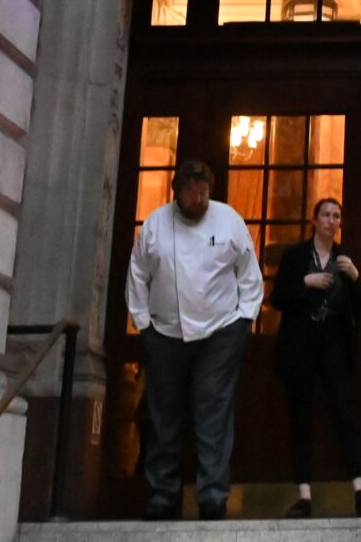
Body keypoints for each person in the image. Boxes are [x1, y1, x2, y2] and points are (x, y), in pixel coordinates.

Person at [127, 159, 264, 520]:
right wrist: (143, 323)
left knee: (213, 412)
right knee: (164, 413)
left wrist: (244, 319)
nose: (199, 200)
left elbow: (249, 273)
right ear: (178, 193)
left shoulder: (229, 220)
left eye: (204, 193)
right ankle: (162, 494)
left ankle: (213, 495)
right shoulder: (155, 224)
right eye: (192, 194)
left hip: (220, 332)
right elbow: (138, 275)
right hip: (165, 332)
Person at [272, 197, 361, 518]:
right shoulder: (296, 256)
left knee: (345, 415)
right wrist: (306, 281)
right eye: (326, 215)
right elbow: (276, 297)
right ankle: (303, 495)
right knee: (300, 418)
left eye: (337, 216)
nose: (332, 221)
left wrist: (356, 277)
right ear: (315, 220)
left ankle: (360, 492)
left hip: (334, 344)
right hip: (301, 344)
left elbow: (360, 307)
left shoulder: (345, 258)